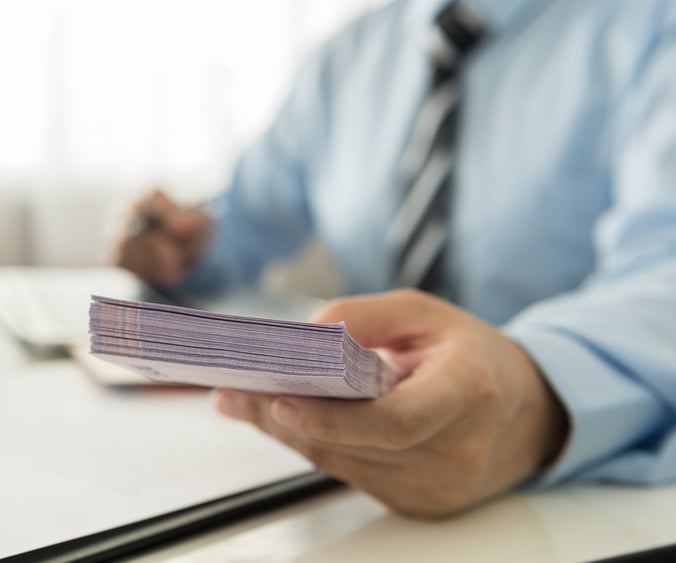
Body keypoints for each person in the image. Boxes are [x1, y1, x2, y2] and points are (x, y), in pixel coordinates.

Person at [111, 0, 676, 518]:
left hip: (579, 504)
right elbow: (245, 223)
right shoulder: (345, 59)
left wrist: (531, 395)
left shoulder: (652, 28)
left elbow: (665, 270)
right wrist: (181, 248)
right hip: (342, 488)